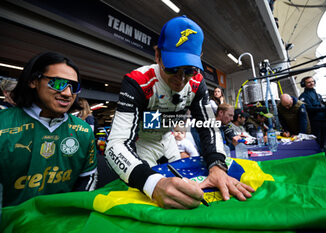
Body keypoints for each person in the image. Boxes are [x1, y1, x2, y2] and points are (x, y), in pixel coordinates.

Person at [105, 16, 254, 209]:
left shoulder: (197, 82)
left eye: (190, 70)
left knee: (190, 194)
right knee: (154, 201)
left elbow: (210, 127)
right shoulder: (138, 81)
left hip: (169, 142)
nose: (181, 79)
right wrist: (152, 183)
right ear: (157, 55)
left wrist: (217, 165)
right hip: (142, 145)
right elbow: (115, 144)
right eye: (173, 68)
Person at [0, 52, 97, 207]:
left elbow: (86, 180)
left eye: (74, 87)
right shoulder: (3, 124)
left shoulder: (83, 131)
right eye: (58, 83)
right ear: (33, 81)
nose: (67, 93)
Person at [299, 76, 326, 151]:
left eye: (312, 81)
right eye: (308, 82)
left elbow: (322, 105)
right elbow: (309, 109)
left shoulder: (318, 94)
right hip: (315, 122)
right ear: (304, 84)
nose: (311, 83)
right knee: (318, 142)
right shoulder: (303, 96)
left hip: (324, 120)